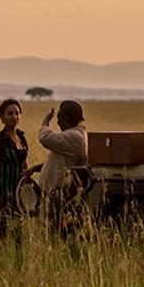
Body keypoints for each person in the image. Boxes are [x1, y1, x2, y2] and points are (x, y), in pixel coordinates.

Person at [37, 99, 88, 233]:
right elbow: (62, 162)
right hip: (56, 195)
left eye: (60, 118)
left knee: (55, 231)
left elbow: (45, 138)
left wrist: (46, 122)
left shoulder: (74, 137)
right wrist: (38, 168)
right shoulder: (74, 136)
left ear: (68, 118)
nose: (58, 122)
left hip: (60, 196)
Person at [0, 97, 30, 240]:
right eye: (9, 114)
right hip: (2, 192)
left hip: (18, 192)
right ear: (1, 117)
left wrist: (28, 186)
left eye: (17, 113)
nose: (14, 117)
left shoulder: (21, 137)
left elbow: (24, 163)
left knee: (18, 233)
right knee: (2, 233)